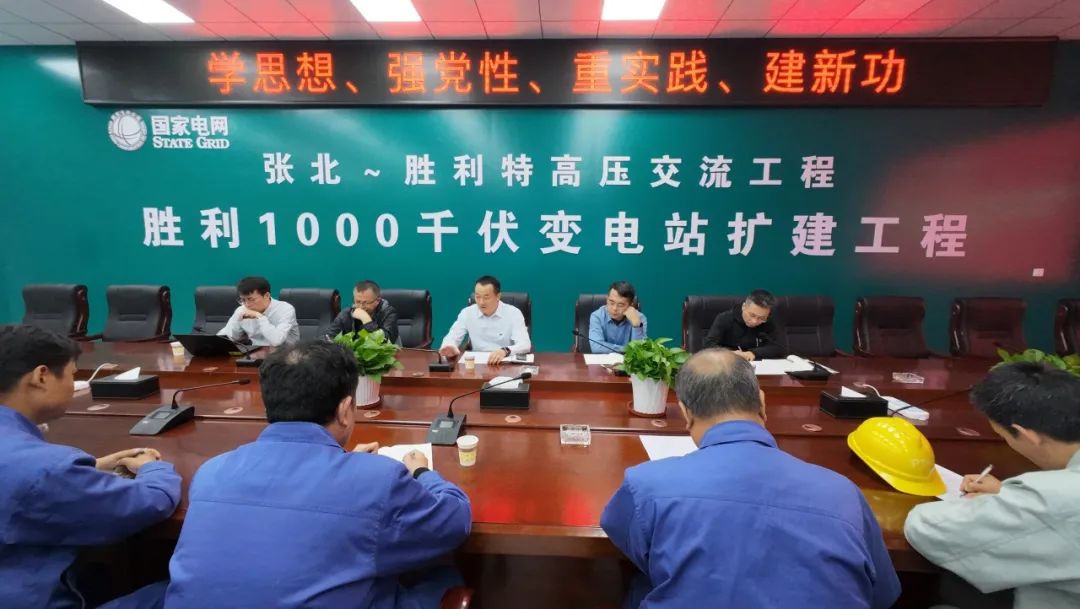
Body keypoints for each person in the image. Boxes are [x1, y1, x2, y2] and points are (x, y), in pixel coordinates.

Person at [163, 341, 472, 609]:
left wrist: (350, 466)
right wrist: (421, 471)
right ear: (345, 409)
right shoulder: (378, 480)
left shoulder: (212, 471)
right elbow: (455, 520)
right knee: (443, 572)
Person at [601, 349, 900, 609]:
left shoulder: (647, 485)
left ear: (685, 413)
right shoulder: (845, 494)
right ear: (762, 402)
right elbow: (883, 595)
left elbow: (624, 538)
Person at [0, 324, 181, 609]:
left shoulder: (35, 464)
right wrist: (153, 468)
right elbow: (152, 502)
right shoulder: (46, 470)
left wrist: (91, 467)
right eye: (72, 375)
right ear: (41, 376)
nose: (73, 385)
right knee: (189, 591)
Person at [904, 362, 1080, 609]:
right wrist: (1008, 496)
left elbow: (928, 528)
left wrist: (1002, 504)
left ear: (1026, 435)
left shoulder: (1050, 499)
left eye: (1003, 436)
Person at [439, 275, 531, 365]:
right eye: (478, 297)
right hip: (476, 365)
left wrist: (505, 351)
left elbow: (525, 344)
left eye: (486, 297)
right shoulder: (467, 313)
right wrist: (449, 346)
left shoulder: (513, 313)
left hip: (504, 363)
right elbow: (452, 336)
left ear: (498, 296)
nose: (481, 302)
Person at [217, 276, 299, 347]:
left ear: (266, 295)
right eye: (243, 300)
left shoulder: (285, 309)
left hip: (286, 354)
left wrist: (259, 316)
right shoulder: (242, 310)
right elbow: (227, 335)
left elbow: (276, 341)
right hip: (255, 353)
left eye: (251, 299)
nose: (247, 304)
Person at [703, 289, 784, 360]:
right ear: (744, 306)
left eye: (761, 318)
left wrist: (753, 353)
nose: (754, 321)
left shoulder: (770, 321)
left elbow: (780, 348)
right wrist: (731, 353)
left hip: (759, 364)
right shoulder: (724, 318)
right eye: (752, 315)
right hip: (729, 363)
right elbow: (708, 346)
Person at [324, 280, 400, 344]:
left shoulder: (388, 313)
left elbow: (386, 341)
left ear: (377, 301)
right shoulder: (346, 314)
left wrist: (366, 320)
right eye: (357, 301)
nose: (361, 307)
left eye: (365, 303)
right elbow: (326, 337)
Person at [586, 281, 647, 354]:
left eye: (620, 305)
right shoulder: (597, 316)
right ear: (607, 299)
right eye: (611, 302)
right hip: (603, 360)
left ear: (631, 305)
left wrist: (636, 325)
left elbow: (639, 352)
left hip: (627, 361)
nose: (614, 308)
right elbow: (596, 348)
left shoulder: (640, 318)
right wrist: (627, 349)